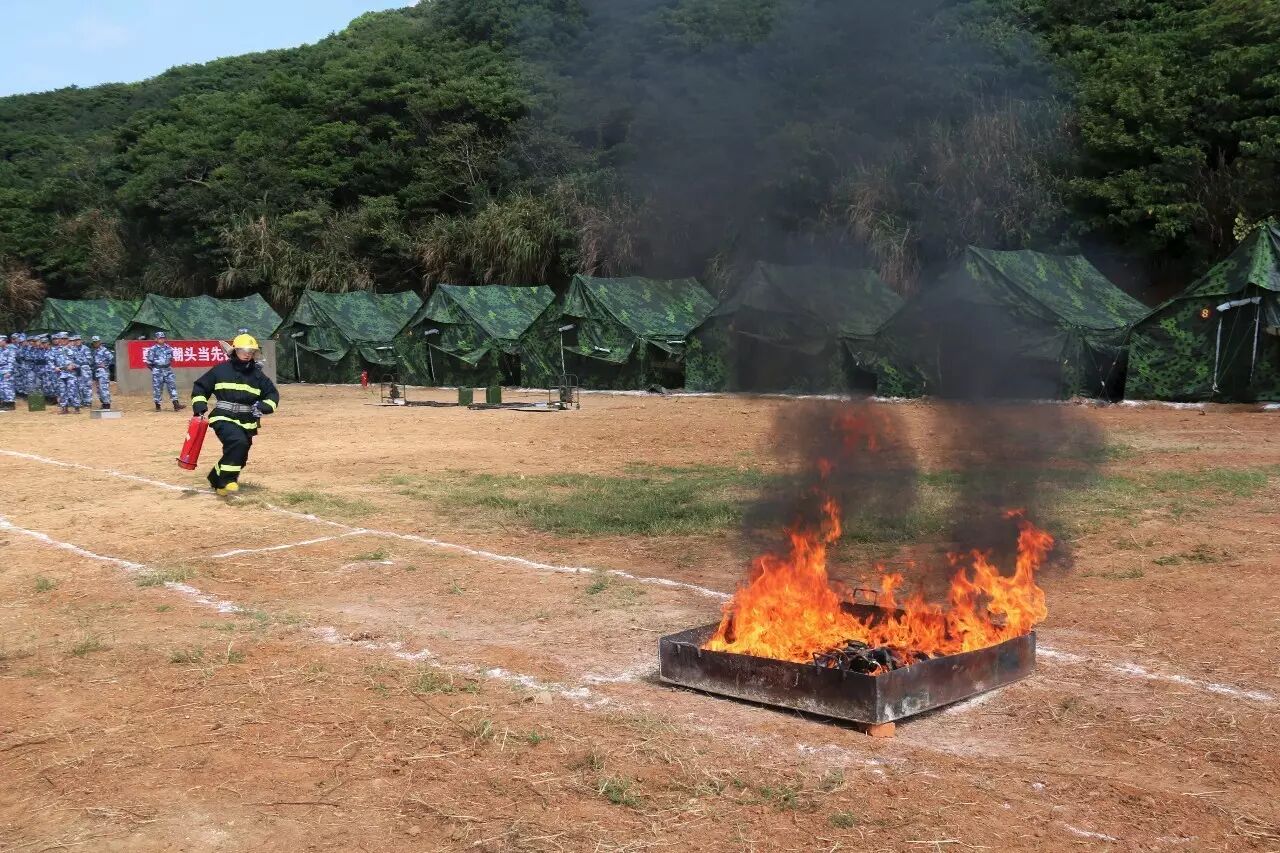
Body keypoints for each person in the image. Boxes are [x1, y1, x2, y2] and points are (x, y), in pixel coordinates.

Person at [190, 334, 279, 495]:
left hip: (247, 420)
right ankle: (228, 480)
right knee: (238, 442)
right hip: (223, 416)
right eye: (244, 350)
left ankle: (216, 478)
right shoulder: (220, 370)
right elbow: (200, 388)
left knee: (240, 456)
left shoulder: (258, 376)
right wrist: (199, 406)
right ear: (235, 351)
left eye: (251, 351)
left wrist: (265, 406)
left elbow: (272, 394)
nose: (247, 354)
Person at [144, 331, 183, 411]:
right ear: (156, 339)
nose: (162, 339)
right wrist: (155, 370)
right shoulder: (153, 349)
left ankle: (176, 404)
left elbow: (171, 358)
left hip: (168, 370)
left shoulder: (168, 348)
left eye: (163, 338)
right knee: (158, 389)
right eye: (160, 338)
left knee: (172, 387)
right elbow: (148, 363)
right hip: (157, 370)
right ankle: (158, 405)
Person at [51, 333, 81, 414]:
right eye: (61, 339)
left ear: (68, 339)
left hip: (71, 374)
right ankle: (64, 408)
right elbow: (50, 361)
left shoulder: (74, 349)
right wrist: (54, 367)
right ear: (59, 340)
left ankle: (76, 408)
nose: (63, 340)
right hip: (61, 373)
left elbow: (80, 361)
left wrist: (73, 365)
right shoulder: (55, 350)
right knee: (62, 391)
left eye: (65, 339)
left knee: (73, 390)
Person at [68, 333, 93, 409]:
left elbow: (89, 360)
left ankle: (88, 402)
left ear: (81, 340)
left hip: (85, 370)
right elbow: (70, 359)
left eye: (78, 340)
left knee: (87, 386)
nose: (77, 341)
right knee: (79, 386)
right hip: (77, 370)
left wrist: (78, 363)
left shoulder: (86, 348)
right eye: (75, 340)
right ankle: (81, 401)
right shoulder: (72, 349)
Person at [89, 336, 114, 410]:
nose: (95, 343)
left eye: (97, 342)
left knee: (103, 388)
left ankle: (107, 404)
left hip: (103, 372)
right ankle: (103, 403)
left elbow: (111, 358)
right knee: (98, 389)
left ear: (99, 342)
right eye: (94, 342)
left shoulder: (104, 350)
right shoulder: (94, 351)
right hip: (96, 371)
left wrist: (105, 365)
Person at [0, 334, 14, 411]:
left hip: (6, 370)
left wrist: (9, 371)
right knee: (1, 387)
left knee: (8, 387)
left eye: (0, 341)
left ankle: (10, 404)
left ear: (4, 341)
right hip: (1, 370)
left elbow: (11, 362)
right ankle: (4, 403)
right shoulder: (0, 350)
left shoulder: (10, 350)